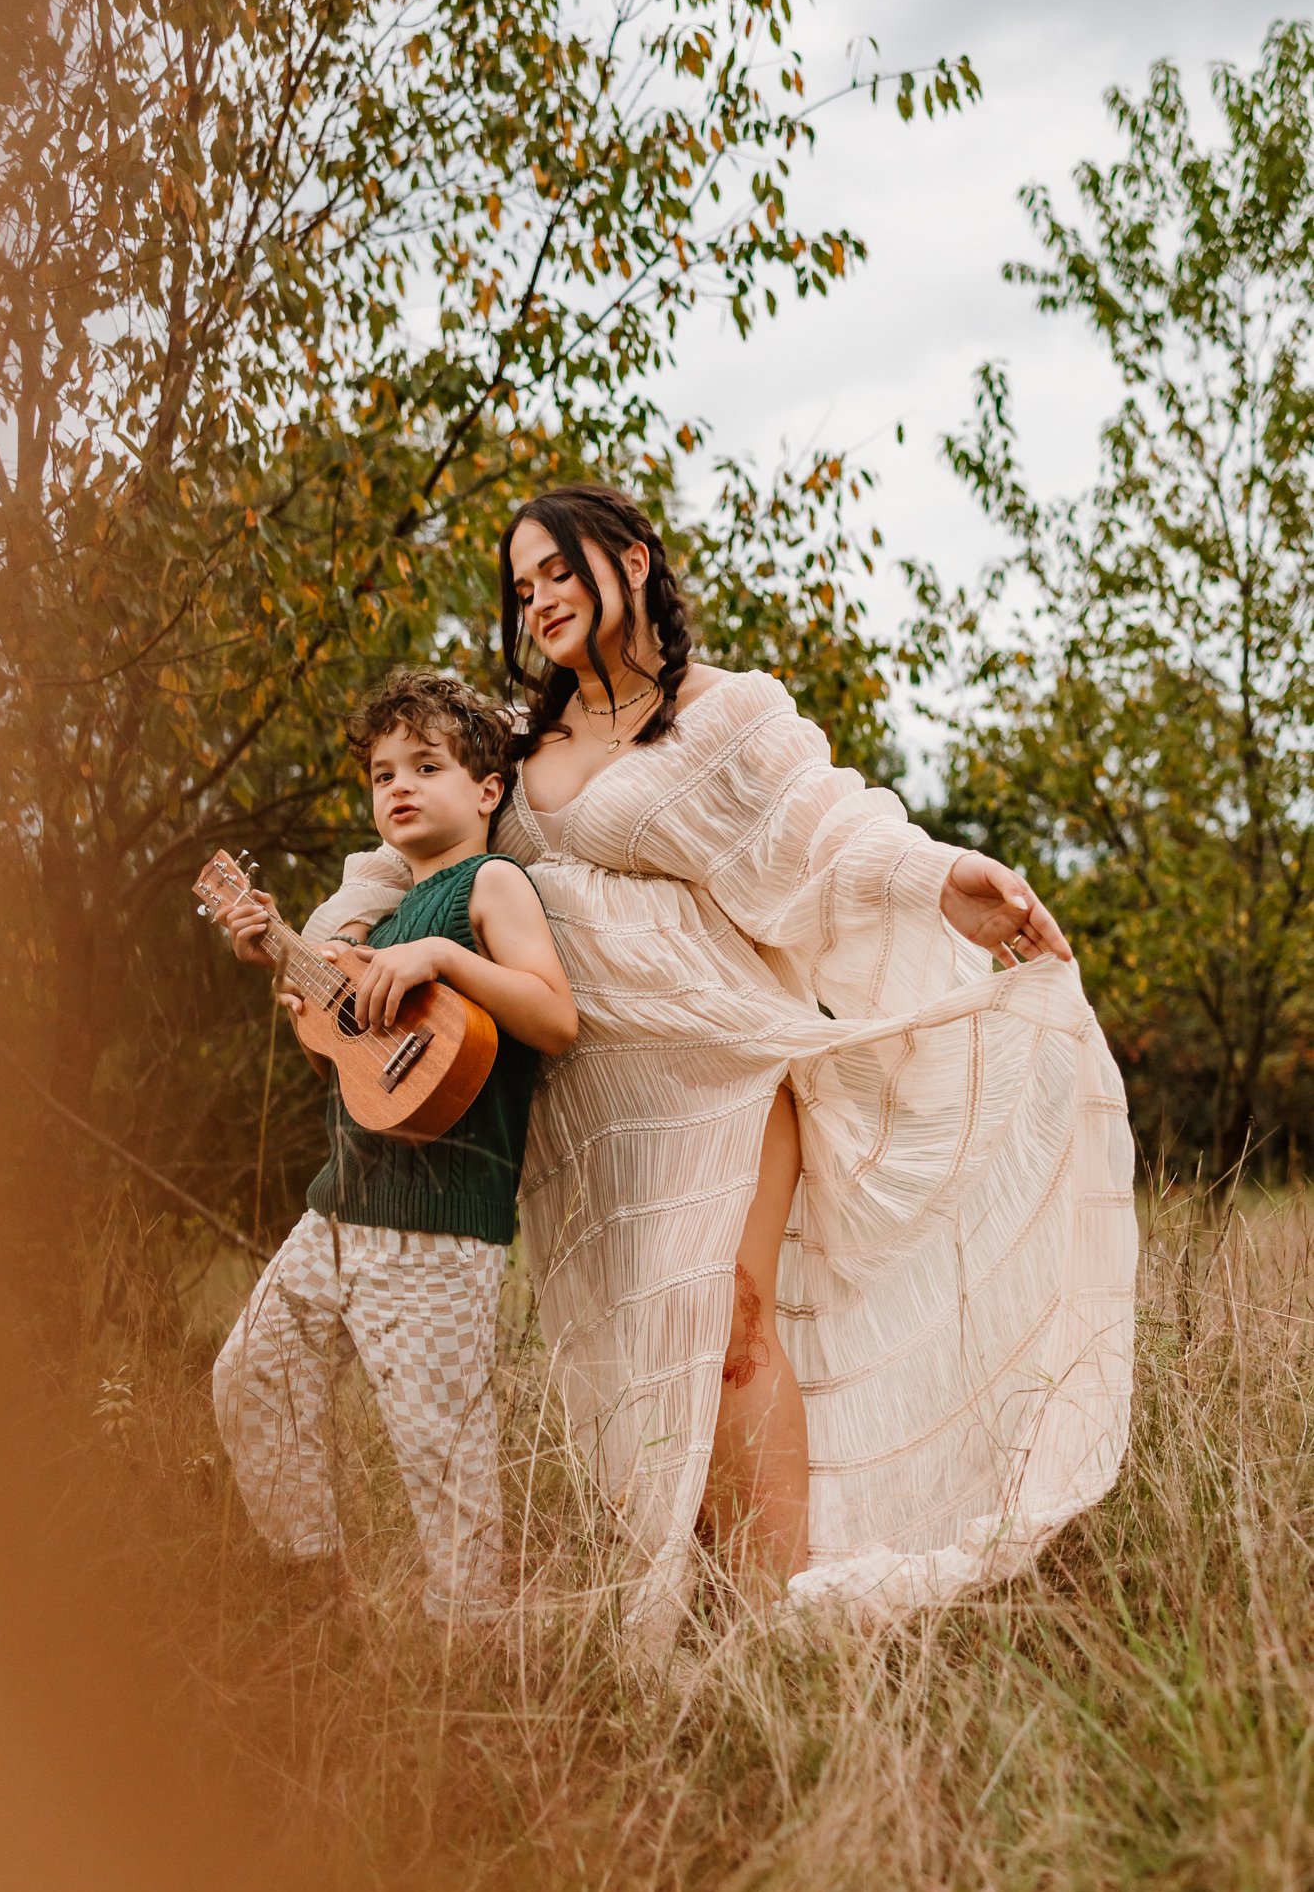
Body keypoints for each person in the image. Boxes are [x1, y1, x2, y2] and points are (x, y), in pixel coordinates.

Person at [303, 484, 1136, 1648]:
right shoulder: (516, 745)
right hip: (595, 1106)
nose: (537, 596)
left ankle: (779, 1621)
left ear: (632, 561)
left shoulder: (726, 716)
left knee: (735, 1325)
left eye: (558, 569)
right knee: (660, 1361)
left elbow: (832, 830)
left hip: (723, 1064)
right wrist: (330, 940)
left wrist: (952, 878)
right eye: (522, 582)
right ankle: (714, 1614)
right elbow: (408, 854)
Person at [214, 675, 578, 1622]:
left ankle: (474, 1660)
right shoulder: (370, 926)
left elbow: (556, 1017)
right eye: (383, 774)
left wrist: (445, 958)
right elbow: (364, 1064)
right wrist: (278, 955)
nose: (399, 787)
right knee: (252, 1376)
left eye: (427, 765)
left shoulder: (485, 886)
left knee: (442, 1466)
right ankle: (311, 1587)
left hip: (438, 1226)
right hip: (337, 1209)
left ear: (487, 791)